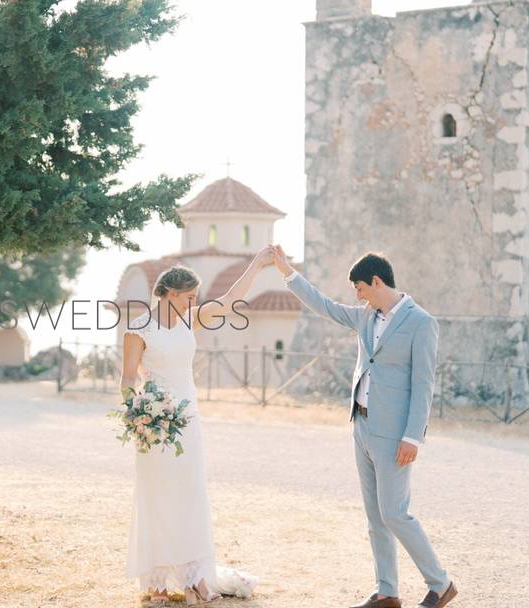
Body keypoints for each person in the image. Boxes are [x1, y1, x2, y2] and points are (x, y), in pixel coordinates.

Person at [272, 246, 457, 608]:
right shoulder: (366, 316)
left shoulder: (422, 323)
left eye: (359, 288)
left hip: (395, 434)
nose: (356, 296)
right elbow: (323, 305)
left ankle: (441, 583)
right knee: (375, 516)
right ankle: (387, 591)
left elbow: (423, 385)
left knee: (395, 513)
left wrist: (412, 437)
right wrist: (287, 271)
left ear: (376, 281)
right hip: (361, 425)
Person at [120, 250, 268, 605]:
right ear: (170, 293)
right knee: (157, 497)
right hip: (154, 427)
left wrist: (258, 264)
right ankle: (156, 580)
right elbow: (128, 378)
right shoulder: (138, 329)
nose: (193, 303)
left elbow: (231, 300)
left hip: (188, 421)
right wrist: (138, 415)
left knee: (190, 495)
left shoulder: (190, 320)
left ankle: (194, 577)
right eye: (189, 297)